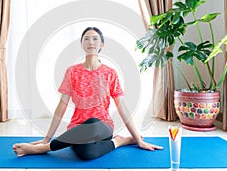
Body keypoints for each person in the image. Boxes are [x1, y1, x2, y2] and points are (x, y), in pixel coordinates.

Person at [13, 27, 163, 160]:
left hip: (102, 127)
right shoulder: (72, 72)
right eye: (86, 38)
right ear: (82, 44)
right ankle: (120, 141)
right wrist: (47, 137)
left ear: (101, 45)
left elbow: (122, 108)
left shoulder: (110, 73)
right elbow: (62, 106)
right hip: (76, 129)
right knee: (87, 154)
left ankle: (40, 150)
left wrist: (139, 139)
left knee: (93, 122)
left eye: (95, 38)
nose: (91, 41)